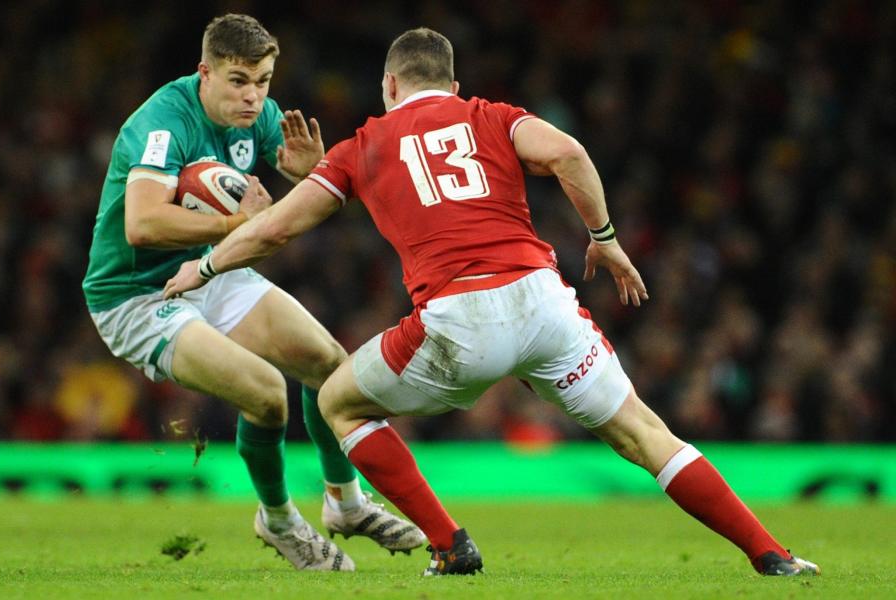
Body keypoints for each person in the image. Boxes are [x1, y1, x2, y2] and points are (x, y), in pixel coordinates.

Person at [162, 27, 820, 578]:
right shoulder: (491, 115)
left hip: (458, 319)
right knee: (648, 435)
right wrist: (606, 240)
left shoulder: (363, 144)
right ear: (451, 86)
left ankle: (449, 545)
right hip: (543, 304)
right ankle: (771, 553)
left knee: (336, 399)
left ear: (390, 88)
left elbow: (277, 228)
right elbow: (568, 152)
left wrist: (207, 265)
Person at [81, 14, 425, 572]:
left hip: (210, 274)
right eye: (239, 80)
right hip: (137, 296)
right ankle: (281, 520)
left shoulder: (260, 116)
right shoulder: (163, 124)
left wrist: (312, 177)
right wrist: (232, 226)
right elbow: (142, 225)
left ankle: (346, 503)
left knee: (329, 366)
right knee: (267, 395)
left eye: (263, 80)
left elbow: (289, 205)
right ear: (205, 72)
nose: (254, 96)